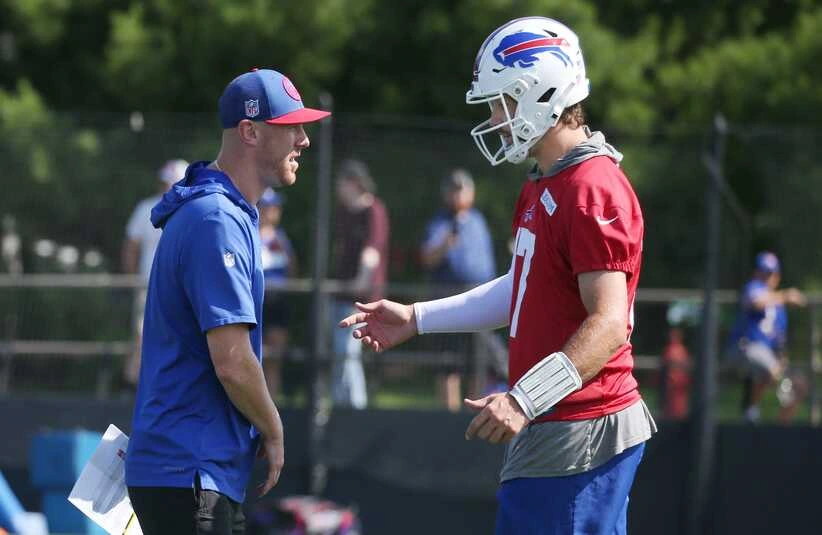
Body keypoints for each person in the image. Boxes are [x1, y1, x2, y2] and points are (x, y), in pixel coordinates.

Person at [340, 17, 656, 533]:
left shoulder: (593, 186)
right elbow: (523, 290)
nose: (495, 117)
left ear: (540, 92)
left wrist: (523, 398)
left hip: (580, 428)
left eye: (501, 101)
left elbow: (609, 323)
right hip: (554, 424)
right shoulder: (545, 182)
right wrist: (418, 318)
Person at [125, 68, 330, 535]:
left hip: (188, 471)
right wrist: (273, 427)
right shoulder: (216, 218)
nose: (304, 139)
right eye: (291, 126)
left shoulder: (222, 211)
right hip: (190, 471)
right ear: (250, 131)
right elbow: (233, 362)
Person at [420, 169, 500, 411]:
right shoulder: (439, 222)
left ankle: (472, 416)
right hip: (449, 302)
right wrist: (445, 243)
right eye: (453, 190)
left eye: (462, 189)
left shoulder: (478, 220)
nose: (458, 194)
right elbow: (427, 258)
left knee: (480, 364)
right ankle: (450, 419)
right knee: (449, 366)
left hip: (480, 302)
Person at [121, 158, 189, 388]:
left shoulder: (192, 209)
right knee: (142, 337)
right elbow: (131, 246)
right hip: (148, 285)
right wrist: (133, 281)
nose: (166, 187)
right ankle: (134, 390)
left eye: (171, 182)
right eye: (165, 182)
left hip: (182, 289)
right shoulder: (145, 208)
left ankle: (162, 389)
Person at [329, 158, 389, 409]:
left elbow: (371, 253)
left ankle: (356, 410)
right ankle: (338, 407)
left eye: (341, 184)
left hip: (361, 300)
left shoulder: (373, 210)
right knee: (337, 356)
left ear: (353, 183)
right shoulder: (344, 212)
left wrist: (360, 283)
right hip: (340, 295)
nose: (337, 189)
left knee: (348, 356)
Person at [726, 251, 807, 423]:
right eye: (763, 272)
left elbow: (780, 341)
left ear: (777, 276)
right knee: (770, 368)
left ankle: (780, 426)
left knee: (799, 385)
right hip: (745, 347)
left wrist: (782, 359)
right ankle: (750, 412)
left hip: (767, 355)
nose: (766, 277)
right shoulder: (753, 287)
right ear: (756, 272)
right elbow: (756, 302)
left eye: (770, 274)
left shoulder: (779, 309)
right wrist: (786, 296)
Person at [258, 188, 297, 400]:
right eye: (268, 207)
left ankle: (272, 405)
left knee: (275, 359)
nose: (273, 212)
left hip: (278, 302)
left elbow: (292, 267)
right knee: (255, 357)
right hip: (257, 302)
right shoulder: (249, 233)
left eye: (275, 207)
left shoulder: (281, 238)